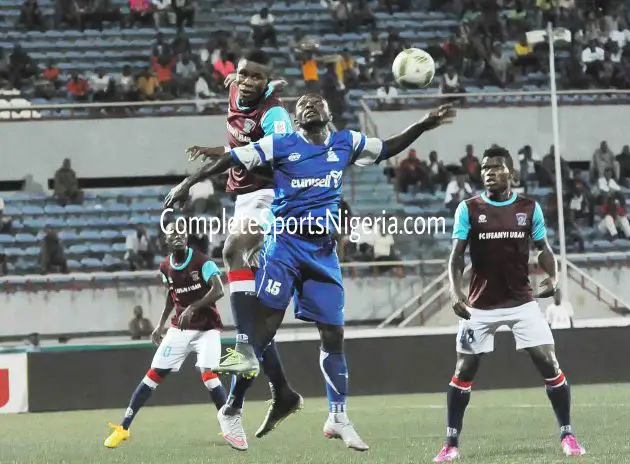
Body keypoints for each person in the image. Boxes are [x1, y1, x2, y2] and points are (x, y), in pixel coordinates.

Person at [164, 94, 456, 451]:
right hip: (284, 246)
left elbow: (387, 148)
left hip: (322, 252)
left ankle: (338, 417)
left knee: (333, 333)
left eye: (317, 102)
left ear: (329, 112)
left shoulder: (346, 142)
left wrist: (423, 125)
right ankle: (233, 407)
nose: (310, 106)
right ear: (295, 118)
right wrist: (188, 183)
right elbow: (233, 158)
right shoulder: (281, 144)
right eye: (302, 104)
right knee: (261, 332)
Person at [182, 49, 302, 451]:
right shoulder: (236, 89)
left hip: (275, 195)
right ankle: (282, 392)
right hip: (245, 199)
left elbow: (276, 150)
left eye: (256, 77)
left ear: (267, 83)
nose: (247, 81)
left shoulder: (275, 114)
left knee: (233, 251)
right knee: (254, 321)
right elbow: (241, 126)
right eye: (243, 74)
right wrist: (220, 150)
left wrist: (202, 172)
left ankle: (234, 403)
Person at [432, 146, 585, 462]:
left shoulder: (529, 208)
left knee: (549, 362)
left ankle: (568, 435)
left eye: (496, 167)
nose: (489, 172)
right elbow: (456, 256)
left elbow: (543, 248)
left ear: (511, 173)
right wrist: (455, 292)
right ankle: (451, 443)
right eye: (485, 168)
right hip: (479, 305)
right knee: (463, 369)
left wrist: (553, 276)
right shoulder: (468, 209)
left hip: (521, 302)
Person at [104, 223, 228, 448]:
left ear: (186, 237)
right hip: (180, 328)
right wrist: (160, 324)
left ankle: (229, 426)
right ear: (166, 240)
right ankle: (123, 428)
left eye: (181, 232)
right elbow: (172, 295)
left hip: (207, 328)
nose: (178, 235)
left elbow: (219, 290)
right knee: (153, 374)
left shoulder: (203, 262)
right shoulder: (165, 267)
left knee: (208, 374)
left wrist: (192, 308)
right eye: (173, 233)